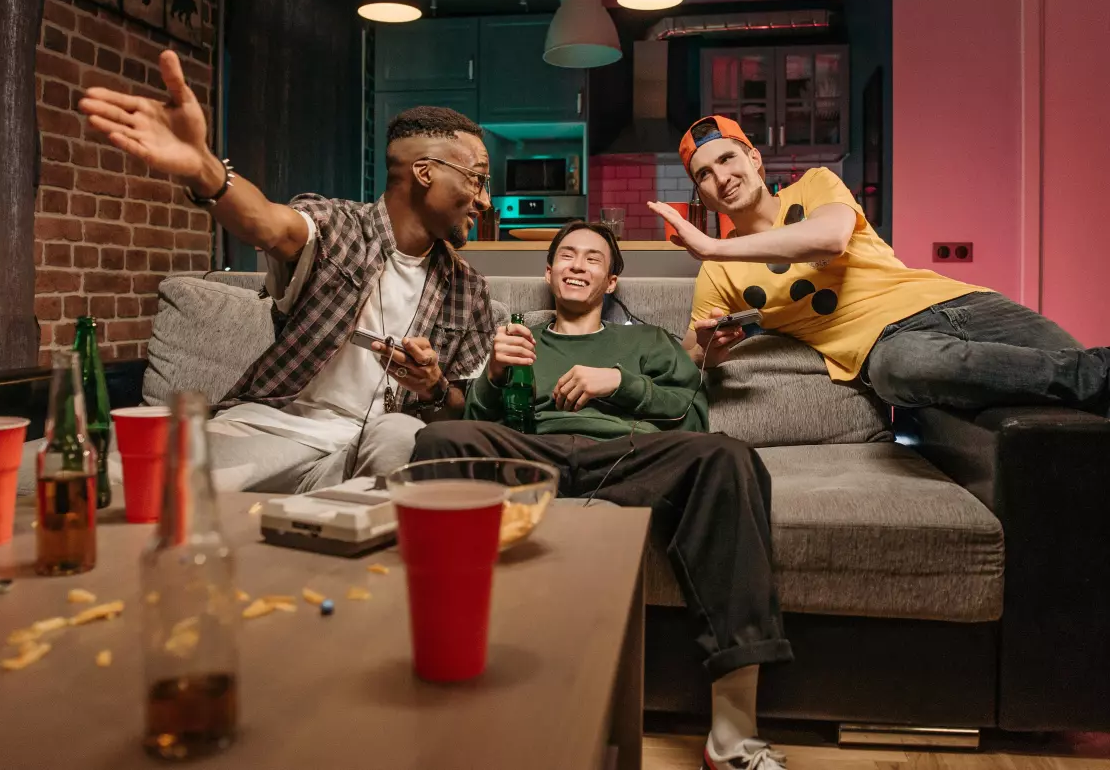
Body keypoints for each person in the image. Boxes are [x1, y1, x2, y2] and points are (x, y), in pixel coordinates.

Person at [412, 221, 792, 770]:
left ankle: (733, 738)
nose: (577, 264)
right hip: (531, 458)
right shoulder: (520, 338)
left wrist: (620, 382)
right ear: (547, 273)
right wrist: (493, 375)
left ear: (611, 281)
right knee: (439, 438)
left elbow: (693, 416)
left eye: (593, 259)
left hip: (629, 456)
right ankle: (437, 689)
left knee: (728, 456)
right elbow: (476, 423)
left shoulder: (646, 341)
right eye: (566, 255)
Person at [78, 50, 495, 492]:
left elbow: (459, 411)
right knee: (133, 489)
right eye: (477, 179)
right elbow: (268, 224)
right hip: (279, 430)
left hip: (372, 448)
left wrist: (432, 386)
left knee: (401, 434)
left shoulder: (469, 292)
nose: (484, 200)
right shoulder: (339, 229)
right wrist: (206, 170)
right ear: (425, 171)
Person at [649, 115, 1110, 416]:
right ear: (701, 193)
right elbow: (693, 354)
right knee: (898, 369)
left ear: (754, 158)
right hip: (887, 346)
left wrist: (712, 246)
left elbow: (828, 237)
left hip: (961, 303)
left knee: (1082, 400)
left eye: (727, 158)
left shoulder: (814, 185)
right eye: (703, 175)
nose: (721, 177)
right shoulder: (719, 271)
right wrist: (708, 344)